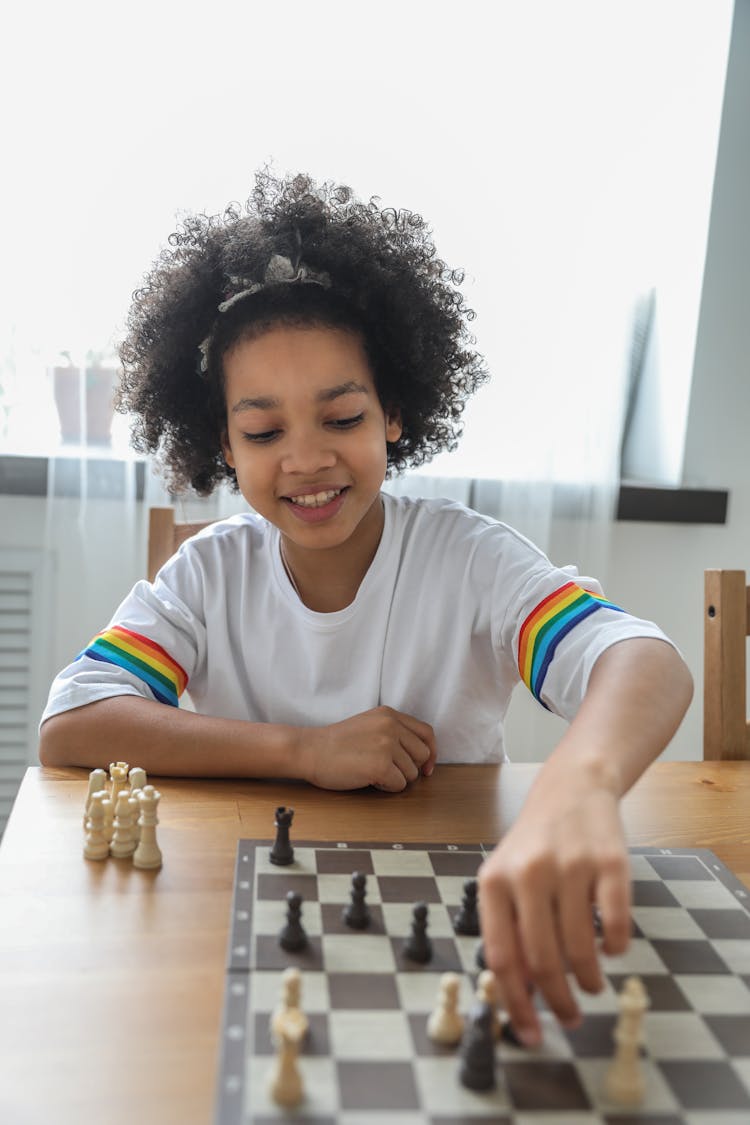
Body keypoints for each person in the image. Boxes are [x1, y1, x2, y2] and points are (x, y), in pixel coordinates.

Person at [39, 170, 693, 1046]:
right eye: (264, 433)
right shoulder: (208, 574)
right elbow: (73, 718)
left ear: (393, 412)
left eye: (341, 416)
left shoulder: (468, 556)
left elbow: (644, 660)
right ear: (222, 445)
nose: (306, 459)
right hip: (259, 921)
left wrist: (582, 781)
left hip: (454, 919)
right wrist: (304, 750)